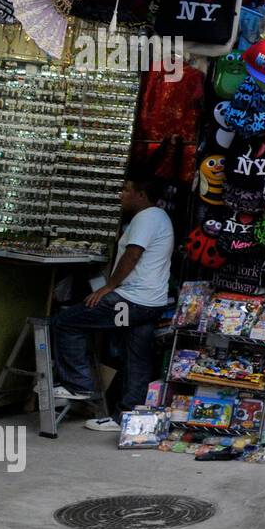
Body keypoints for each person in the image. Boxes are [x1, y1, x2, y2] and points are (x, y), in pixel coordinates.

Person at [54, 175, 174, 432]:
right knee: (138, 357)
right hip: (151, 301)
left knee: (66, 321)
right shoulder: (160, 217)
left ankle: (78, 383)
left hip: (133, 299)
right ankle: (125, 417)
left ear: (141, 195)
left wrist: (109, 287)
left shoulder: (146, 217)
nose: (121, 194)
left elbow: (133, 255)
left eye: (126, 189)